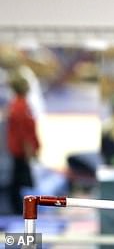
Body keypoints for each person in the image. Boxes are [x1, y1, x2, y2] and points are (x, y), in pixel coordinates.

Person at [6, 74, 40, 214]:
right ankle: (17, 210)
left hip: (20, 149)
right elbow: (23, 133)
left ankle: (19, 209)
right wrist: (29, 151)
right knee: (17, 181)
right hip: (19, 151)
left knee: (19, 181)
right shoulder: (19, 107)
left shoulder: (21, 105)